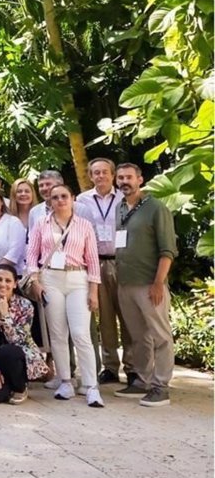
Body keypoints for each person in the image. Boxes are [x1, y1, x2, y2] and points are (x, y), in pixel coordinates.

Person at [25, 183, 103, 407]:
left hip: (78, 278)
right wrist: (35, 281)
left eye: (64, 196)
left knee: (80, 333)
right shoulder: (41, 224)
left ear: (72, 198)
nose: (60, 200)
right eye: (55, 197)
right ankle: (66, 381)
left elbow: (93, 260)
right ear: (49, 201)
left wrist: (94, 290)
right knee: (58, 334)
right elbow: (31, 255)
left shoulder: (84, 225)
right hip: (51, 279)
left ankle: (91, 385)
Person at [112, 163, 178, 408]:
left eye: (129, 177)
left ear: (140, 179)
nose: (124, 181)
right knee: (138, 335)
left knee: (160, 336)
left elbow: (168, 250)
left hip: (149, 283)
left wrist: (158, 282)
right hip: (125, 282)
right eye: (120, 178)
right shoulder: (120, 208)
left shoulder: (156, 208)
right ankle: (142, 380)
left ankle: (161, 387)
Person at [76, 158, 134, 386]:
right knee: (106, 318)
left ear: (112, 175)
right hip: (95, 264)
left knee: (127, 315)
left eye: (104, 172)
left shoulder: (124, 198)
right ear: (91, 176)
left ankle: (132, 367)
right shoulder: (82, 201)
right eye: (96, 173)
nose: (100, 176)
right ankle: (110, 367)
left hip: (122, 262)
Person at [0, 263, 49, 403]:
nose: (3, 284)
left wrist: (5, 316)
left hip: (17, 357)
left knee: (8, 351)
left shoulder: (25, 305)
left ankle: (20, 388)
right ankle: (0, 383)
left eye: (8, 281)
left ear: (15, 284)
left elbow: (19, 341)